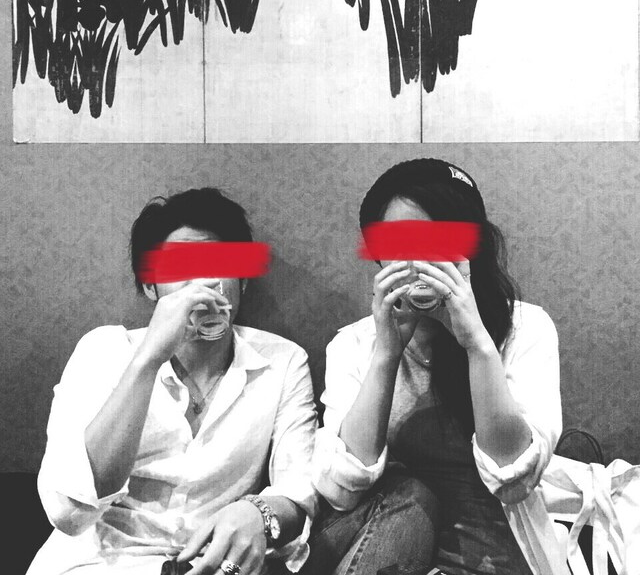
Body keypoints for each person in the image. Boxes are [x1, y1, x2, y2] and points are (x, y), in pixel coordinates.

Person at [27, 188, 317, 575]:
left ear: (243, 281)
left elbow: (297, 494)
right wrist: (149, 358)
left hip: (208, 565)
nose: (205, 284)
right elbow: (69, 513)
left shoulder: (283, 361)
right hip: (96, 564)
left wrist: (259, 513)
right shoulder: (103, 351)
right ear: (151, 287)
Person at [304, 159, 563, 575]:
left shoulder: (525, 328)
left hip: (496, 557)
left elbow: (513, 481)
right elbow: (341, 488)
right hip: (385, 549)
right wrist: (386, 353)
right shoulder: (354, 344)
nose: (418, 261)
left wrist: (477, 344)